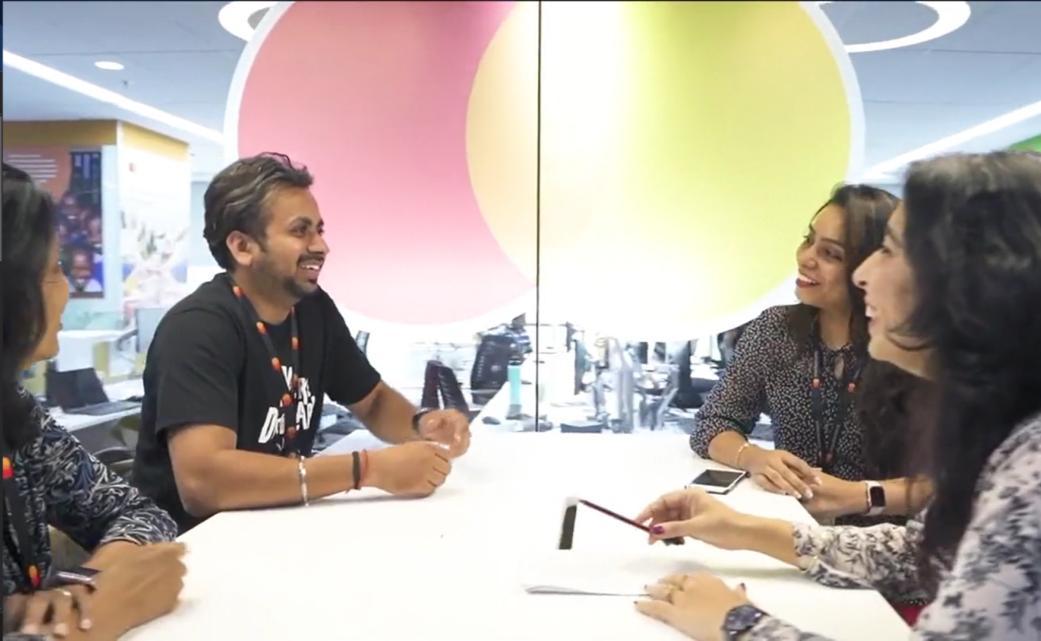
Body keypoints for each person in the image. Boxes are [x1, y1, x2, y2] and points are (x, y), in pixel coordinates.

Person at [634, 151, 1041, 640]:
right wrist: (739, 528)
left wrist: (736, 624)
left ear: (973, 283)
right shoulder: (1007, 434)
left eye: (888, 251)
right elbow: (916, 552)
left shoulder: (1031, 470)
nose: (864, 274)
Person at [132, 153, 472, 533]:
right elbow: (203, 481)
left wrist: (421, 425)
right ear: (242, 247)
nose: (321, 246)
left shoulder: (312, 310)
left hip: (272, 529)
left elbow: (372, 400)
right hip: (191, 547)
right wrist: (366, 469)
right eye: (300, 231)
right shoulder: (198, 329)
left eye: (319, 230)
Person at [1, 163, 185, 639]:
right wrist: (101, 613)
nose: (67, 289)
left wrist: (83, 592)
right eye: (54, 270)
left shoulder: (17, 415)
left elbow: (141, 513)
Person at [689, 184, 929, 524]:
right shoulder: (776, 329)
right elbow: (714, 422)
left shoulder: (908, 350)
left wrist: (857, 496)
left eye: (831, 254)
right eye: (808, 240)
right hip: (790, 526)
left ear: (874, 267)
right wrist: (753, 457)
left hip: (886, 540)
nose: (806, 258)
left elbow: (949, 483)